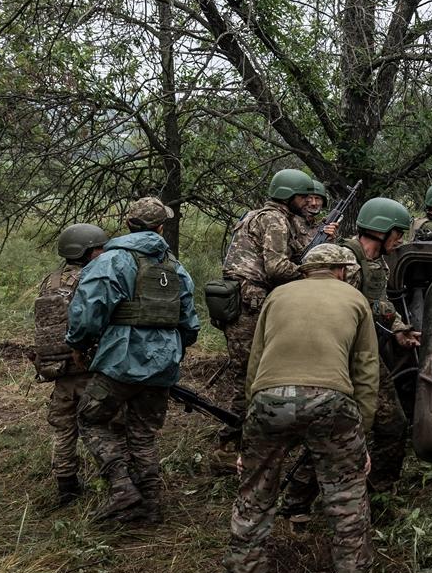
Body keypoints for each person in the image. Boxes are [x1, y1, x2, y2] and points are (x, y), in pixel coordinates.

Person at [223, 244, 380, 573]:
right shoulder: (356, 300)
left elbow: (255, 364)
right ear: (342, 270)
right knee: (345, 494)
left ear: (306, 271)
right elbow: (367, 371)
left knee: (255, 494)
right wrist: (362, 439)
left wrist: (250, 433)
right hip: (331, 398)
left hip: (268, 397)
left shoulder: (277, 296)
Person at [282, 198, 417, 521]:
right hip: (336, 357)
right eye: (398, 233)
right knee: (328, 430)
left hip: (364, 355)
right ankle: (297, 502)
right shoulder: (343, 261)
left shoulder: (376, 264)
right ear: (383, 230)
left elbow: (377, 302)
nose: (400, 241)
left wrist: (398, 328)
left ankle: (376, 495)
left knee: (391, 425)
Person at [67, 197, 200, 523]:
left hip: (120, 361)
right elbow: (190, 325)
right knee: (142, 433)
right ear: (160, 228)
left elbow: (87, 314)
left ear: (128, 225)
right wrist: (169, 351)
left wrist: (79, 344)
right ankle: (149, 505)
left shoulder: (112, 261)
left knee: (90, 418)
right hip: (163, 365)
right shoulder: (175, 267)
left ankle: (122, 487)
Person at [215, 169, 316, 452]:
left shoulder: (255, 215)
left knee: (250, 375)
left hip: (242, 303)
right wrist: (314, 273)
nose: (308, 201)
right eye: (303, 196)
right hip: (251, 306)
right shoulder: (275, 219)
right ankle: (232, 445)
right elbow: (276, 268)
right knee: (252, 377)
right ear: (289, 196)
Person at [32, 223, 110, 505]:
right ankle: (113, 480)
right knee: (103, 426)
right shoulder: (91, 278)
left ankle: (66, 486)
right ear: (88, 252)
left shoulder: (49, 281)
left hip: (58, 370)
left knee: (64, 429)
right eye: (100, 248)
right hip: (89, 367)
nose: (103, 251)